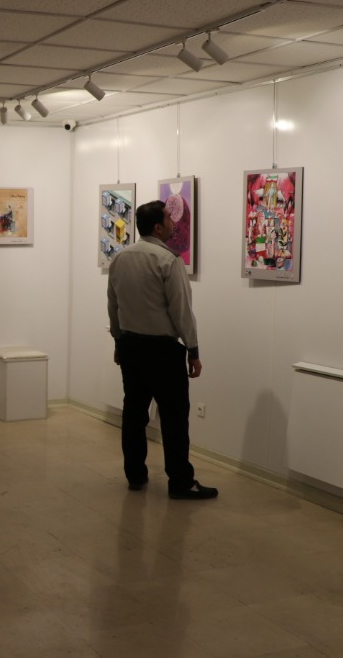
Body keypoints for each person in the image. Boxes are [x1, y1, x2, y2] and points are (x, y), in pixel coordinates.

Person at [107, 200, 217, 499]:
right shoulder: (168, 260)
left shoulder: (120, 258)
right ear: (158, 227)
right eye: (169, 218)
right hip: (162, 351)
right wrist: (193, 351)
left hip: (130, 346)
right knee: (174, 418)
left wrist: (118, 341)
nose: (173, 222)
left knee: (134, 414)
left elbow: (113, 306)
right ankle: (180, 481)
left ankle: (135, 475)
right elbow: (182, 311)